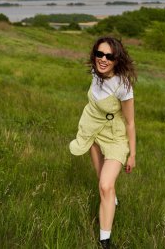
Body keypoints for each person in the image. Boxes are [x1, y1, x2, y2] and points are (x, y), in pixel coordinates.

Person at [69, 36, 137, 249]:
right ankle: (112, 200)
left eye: (109, 56)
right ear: (95, 55)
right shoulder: (94, 73)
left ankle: (104, 242)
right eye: (100, 54)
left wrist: (132, 154)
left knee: (106, 185)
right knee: (102, 181)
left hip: (115, 136)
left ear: (117, 59)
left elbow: (130, 122)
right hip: (94, 131)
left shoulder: (122, 86)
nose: (103, 59)